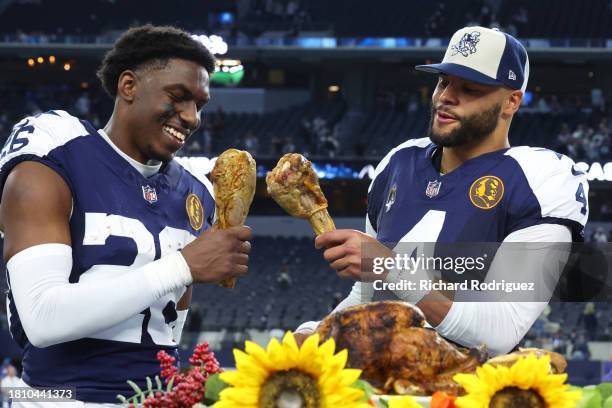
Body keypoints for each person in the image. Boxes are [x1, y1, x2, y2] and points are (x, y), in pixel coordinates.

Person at [295, 26, 589, 355]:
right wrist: (315, 336)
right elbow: (368, 297)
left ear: (511, 102)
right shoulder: (398, 163)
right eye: (443, 81)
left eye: (470, 88)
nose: (446, 96)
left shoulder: (539, 180)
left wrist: (390, 267)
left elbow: (501, 331)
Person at [0, 25, 252, 405]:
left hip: (156, 398)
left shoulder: (195, 193)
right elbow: (41, 318)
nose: (192, 117)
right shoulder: (57, 153)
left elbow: (170, 332)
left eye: (199, 104)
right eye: (178, 96)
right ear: (129, 86)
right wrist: (183, 265)